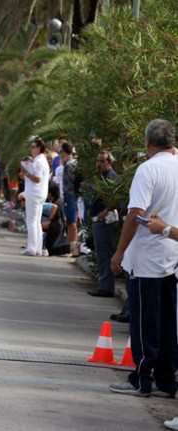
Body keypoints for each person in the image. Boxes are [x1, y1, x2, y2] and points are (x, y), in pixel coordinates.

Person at [109, 119, 178, 398]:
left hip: (147, 257)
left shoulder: (148, 169)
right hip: (173, 254)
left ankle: (142, 378)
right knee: (168, 322)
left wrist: (119, 252)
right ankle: (166, 378)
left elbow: (135, 213)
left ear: (148, 143)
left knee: (143, 321)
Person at [87, 150, 121, 298]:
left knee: (105, 253)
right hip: (97, 221)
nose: (99, 164)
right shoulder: (100, 177)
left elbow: (117, 199)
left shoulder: (113, 178)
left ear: (109, 162)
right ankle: (104, 285)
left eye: (102, 161)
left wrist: (106, 211)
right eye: (97, 161)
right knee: (101, 254)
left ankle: (106, 287)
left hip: (106, 221)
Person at [21, 137, 50, 256]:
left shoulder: (38, 161)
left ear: (39, 148)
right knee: (37, 221)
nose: (31, 149)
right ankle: (37, 247)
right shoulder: (41, 160)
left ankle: (32, 247)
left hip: (34, 193)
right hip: (39, 194)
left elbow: (37, 178)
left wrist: (26, 172)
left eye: (33, 147)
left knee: (31, 221)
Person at [59, 142, 82, 256]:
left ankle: (73, 249)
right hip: (70, 195)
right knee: (69, 222)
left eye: (61, 152)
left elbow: (73, 183)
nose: (60, 154)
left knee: (72, 223)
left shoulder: (70, 165)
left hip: (71, 196)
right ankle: (69, 248)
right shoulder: (68, 164)